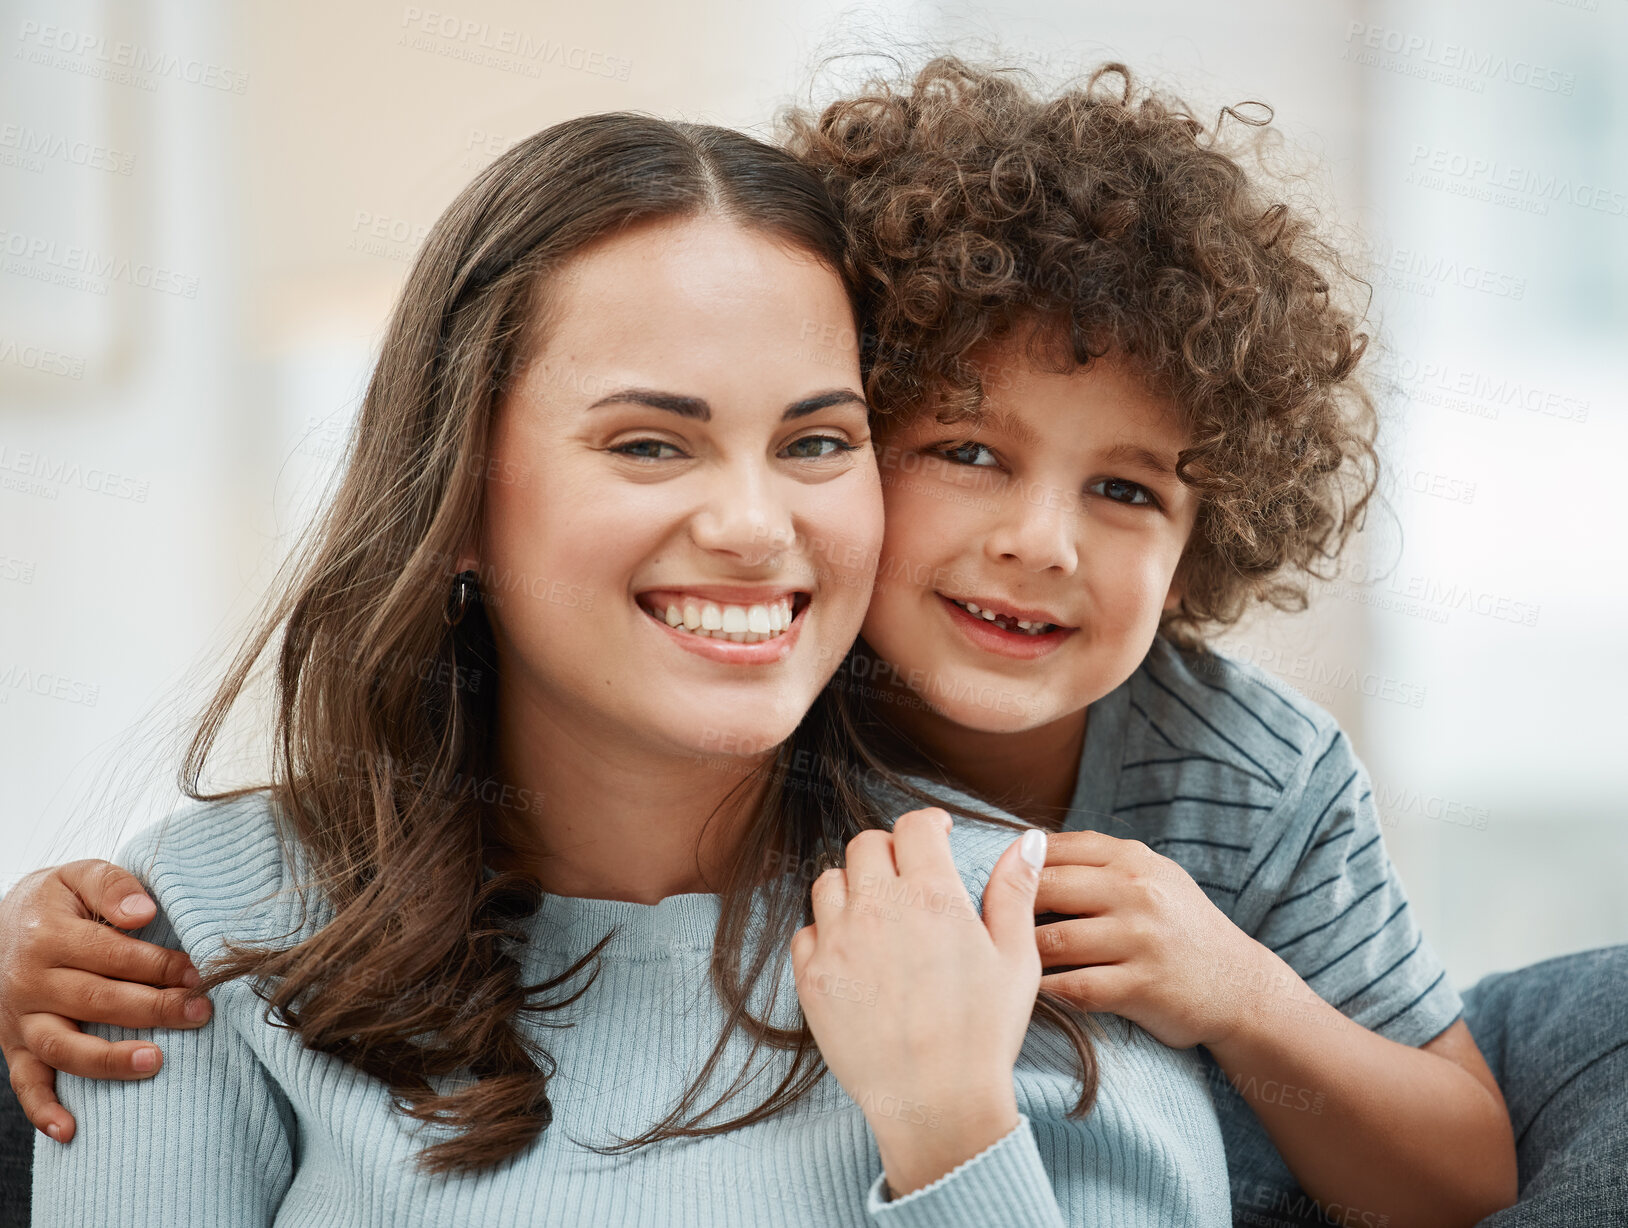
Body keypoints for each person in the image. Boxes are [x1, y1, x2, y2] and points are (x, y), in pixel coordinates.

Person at [4, 111, 1231, 1225]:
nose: (754, 527)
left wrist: (948, 1144)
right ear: (460, 494)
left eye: (814, 440)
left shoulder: (1046, 947)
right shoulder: (187, 933)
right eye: (650, 442)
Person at [781, 58, 1517, 1226]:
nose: (1040, 543)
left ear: (1202, 545)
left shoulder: (1260, 775)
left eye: (1124, 491)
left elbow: (1468, 1176)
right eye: (970, 453)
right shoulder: (754, 692)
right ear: (843, 441)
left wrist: (1242, 995)